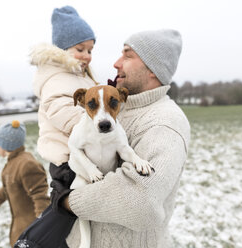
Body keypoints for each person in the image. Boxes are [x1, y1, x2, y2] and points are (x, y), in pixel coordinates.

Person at [52, 29, 191, 247]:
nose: (117, 63)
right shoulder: (123, 105)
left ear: (153, 69)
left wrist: (67, 201)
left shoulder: (165, 123)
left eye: (127, 55)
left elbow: (141, 203)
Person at [13, 5, 97, 248]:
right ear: (63, 49)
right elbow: (62, 112)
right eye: (80, 48)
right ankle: (33, 241)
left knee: (72, 214)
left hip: (77, 154)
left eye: (90, 49)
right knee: (64, 210)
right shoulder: (56, 77)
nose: (87, 54)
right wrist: (94, 130)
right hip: (66, 158)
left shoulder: (78, 74)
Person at [0, 120, 50, 247]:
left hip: (30, 233)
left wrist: (39, 230)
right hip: (19, 229)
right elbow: (7, 189)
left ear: (5, 145)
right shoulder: (13, 163)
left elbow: (40, 198)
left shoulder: (26, 165)